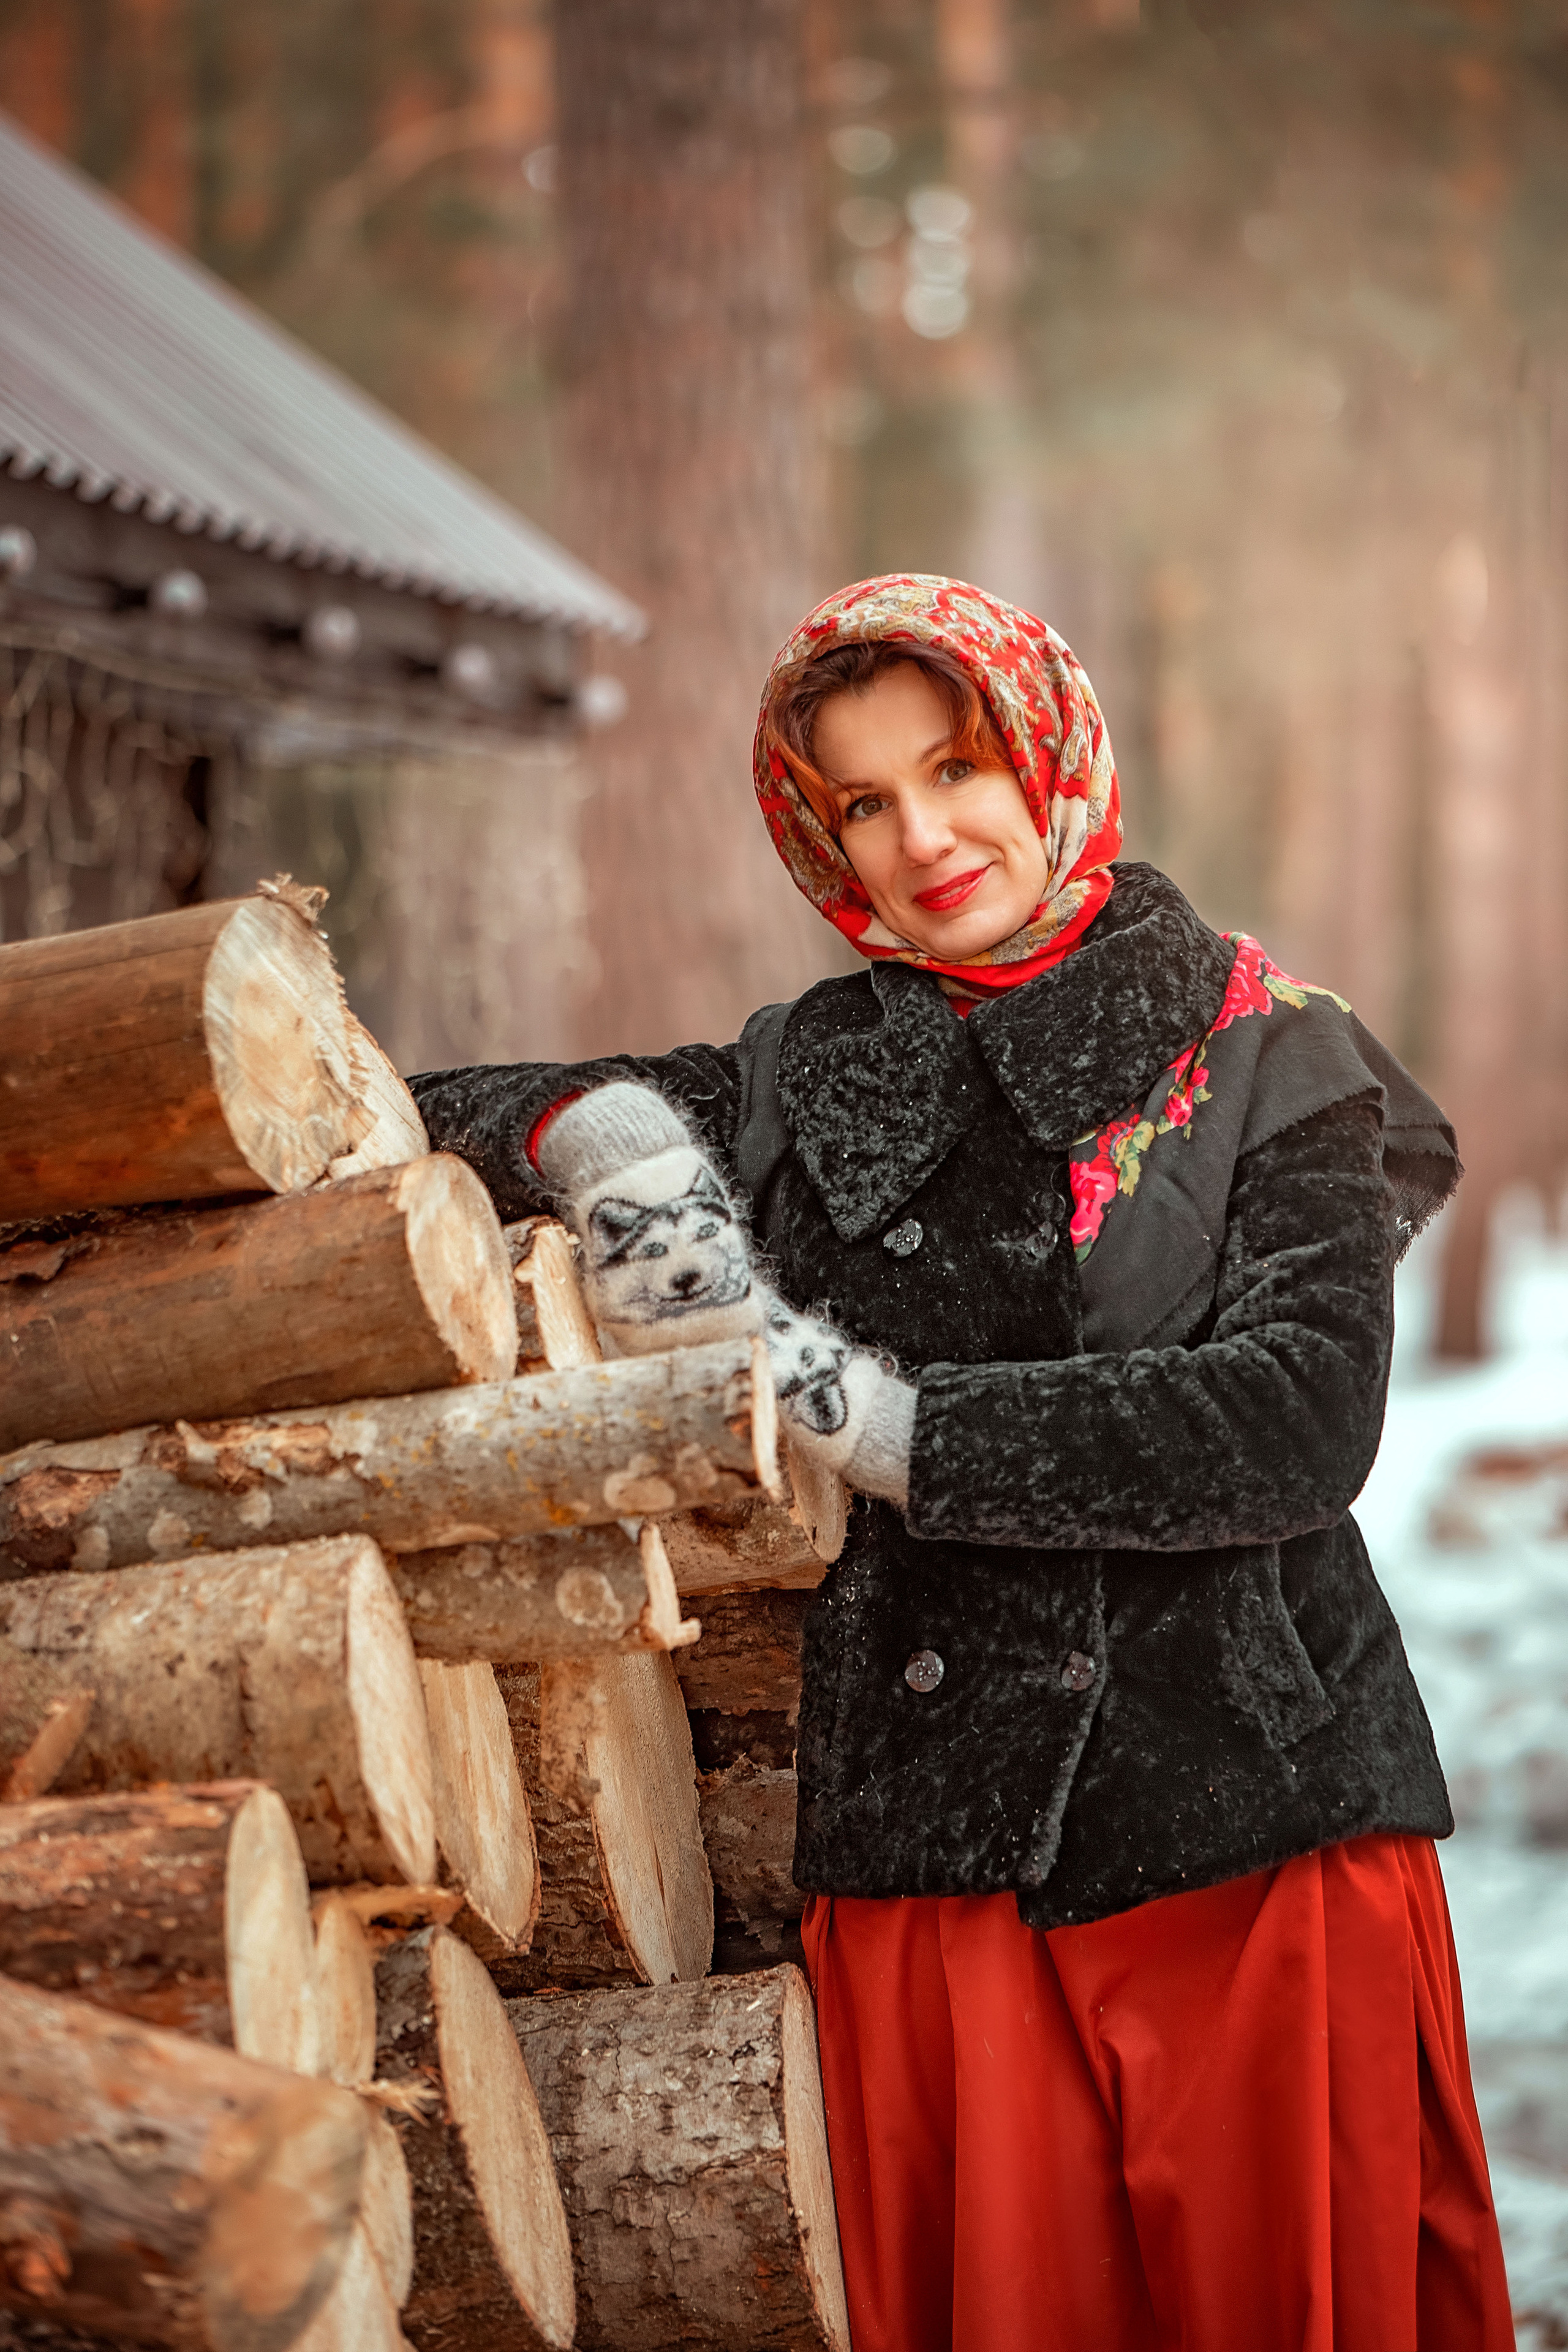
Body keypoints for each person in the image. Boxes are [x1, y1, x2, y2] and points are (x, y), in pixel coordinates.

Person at [411, 573, 1514, 2351]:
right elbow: (416, 1101)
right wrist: (597, 1130)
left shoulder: (1265, 1042)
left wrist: (885, 1424)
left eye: (956, 765)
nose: (923, 837)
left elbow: (1299, 1419)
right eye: (862, 800)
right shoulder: (805, 1076)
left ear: (1050, 749)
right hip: (936, 1858)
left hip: (1250, 1837)